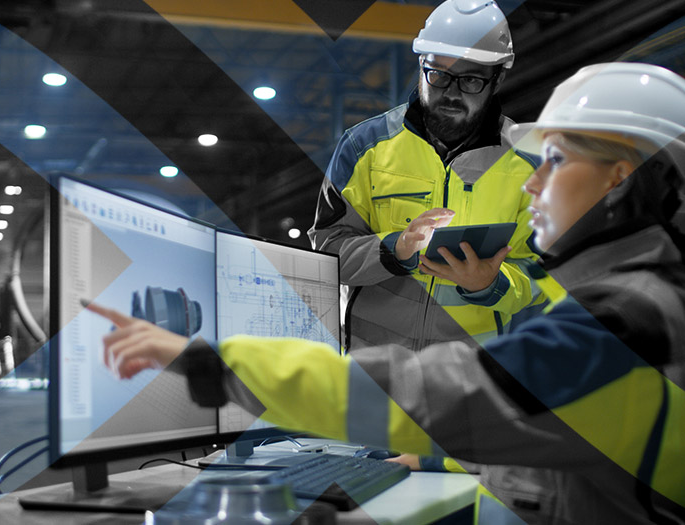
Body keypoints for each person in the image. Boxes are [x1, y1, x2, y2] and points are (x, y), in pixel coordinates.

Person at [87, 62, 685, 524]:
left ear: (619, 178)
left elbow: (440, 391)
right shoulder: (639, 299)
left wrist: (216, 362)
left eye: (554, 160)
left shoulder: (629, 319)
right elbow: (562, 435)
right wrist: (442, 461)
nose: (531, 181)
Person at [308, 0, 542, 352]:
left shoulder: (530, 163)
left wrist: (491, 283)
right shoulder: (363, 147)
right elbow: (326, 254)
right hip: (372, 368)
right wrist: (394, 250)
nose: (451, 91)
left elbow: (545, 274)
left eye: (471, 80)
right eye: (439, 74)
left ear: (498, 79)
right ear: (421, 65)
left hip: (467, 378)